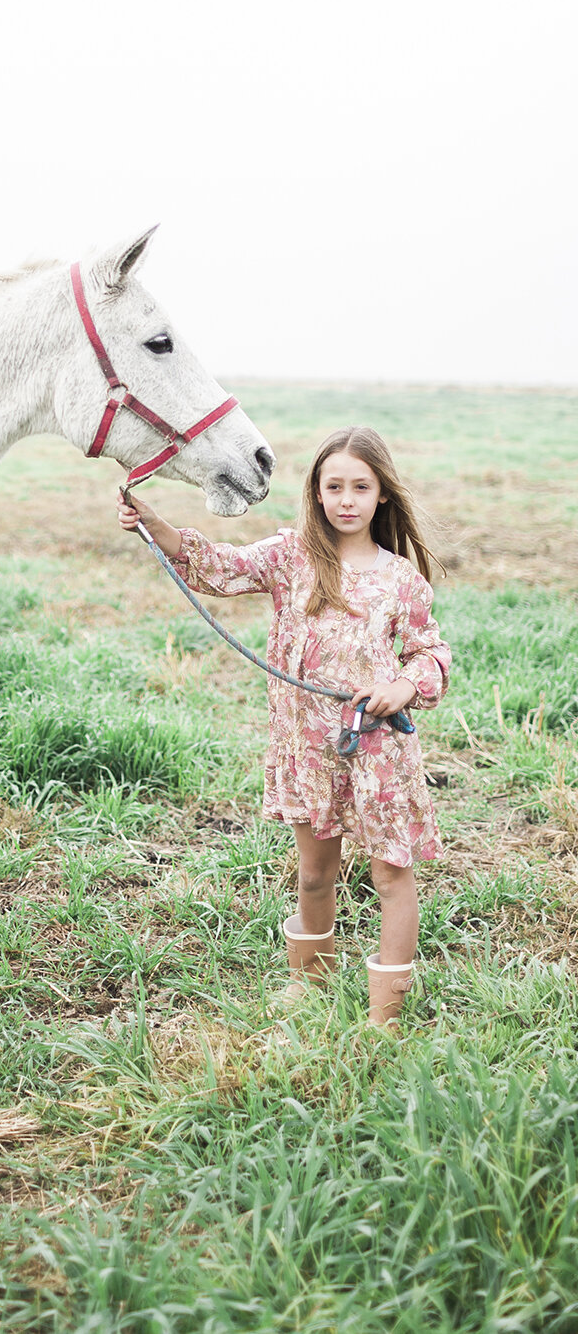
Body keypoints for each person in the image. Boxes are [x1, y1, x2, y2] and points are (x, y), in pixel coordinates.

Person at [117, 426, 451, 1032]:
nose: (346, 499)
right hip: (308, 752)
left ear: (382, 496)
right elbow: (220, 566)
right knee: (315, 873)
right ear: (317, 493)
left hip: (376, 754)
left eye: (360, 487)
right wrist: (155, 525)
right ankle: (309, 986)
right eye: (334, 487)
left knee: (390, 875)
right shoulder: (291, 557)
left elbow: (431, 653)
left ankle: (386, 1015)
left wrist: (403, 686)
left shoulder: (400, 578)